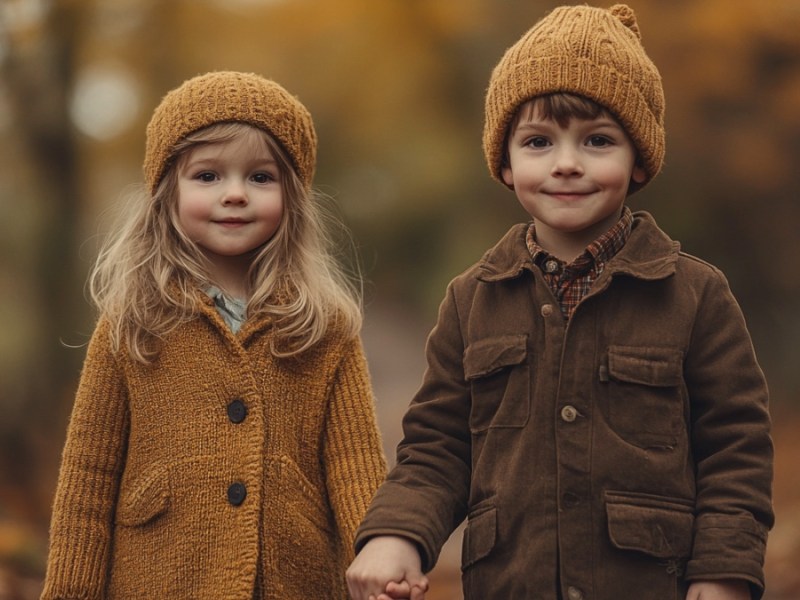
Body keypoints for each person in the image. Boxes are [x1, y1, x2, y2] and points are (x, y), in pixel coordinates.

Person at [346, 5, 773, 600]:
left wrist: (724, 571)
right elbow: (438, 446)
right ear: (505, 160)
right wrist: (397, 534)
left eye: (597, 141)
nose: (566, 163)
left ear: (639, 157)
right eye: (539, 141)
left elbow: (735, 448)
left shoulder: (695, 295)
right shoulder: (472, 300)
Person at [40, 71, 387, 599]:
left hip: (294, 581)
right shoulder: (132, 322)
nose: (234, 195)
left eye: (261, 177)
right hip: (160, 580)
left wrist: (377, 559)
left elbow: (354, 465)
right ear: (166, 192)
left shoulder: (323, 325)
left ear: (292, 196)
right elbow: (88, 477)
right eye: (207, 176)